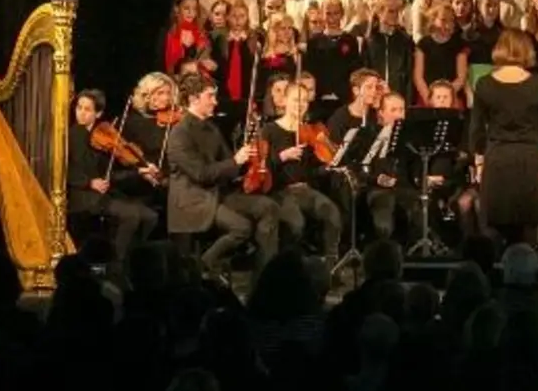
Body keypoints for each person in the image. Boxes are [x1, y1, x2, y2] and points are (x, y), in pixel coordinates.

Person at [165, 73, 281, 271]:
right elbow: (200, 174)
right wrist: (235, 161)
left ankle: (266, 271)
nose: (215, 102)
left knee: (268, 206)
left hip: (217, 194)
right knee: (241, 227)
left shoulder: (211, 128)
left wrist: (249, 160)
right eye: (210, 96)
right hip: (194, 200)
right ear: (193, 99)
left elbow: (228, 165)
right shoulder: (179, 133)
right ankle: (201, 265)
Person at [469, 29, 538, 247]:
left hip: (497, 158)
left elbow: (476, 131)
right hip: (528, 159)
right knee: (526, 227)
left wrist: (479, 163)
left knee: (495, 226)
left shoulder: (484, 84)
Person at [66, 88, 159, 263]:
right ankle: (115, 263)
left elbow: (112, 174)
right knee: (131, 215)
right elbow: (66, 169)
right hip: (84, 196)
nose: (81, 113)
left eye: (87, 109)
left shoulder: (103, 136)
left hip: (104, 194)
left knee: (150, 217)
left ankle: (130, 259)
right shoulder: (72, 135)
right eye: (79, 108)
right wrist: (89, 182)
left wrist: (140, 168)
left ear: (98, 113)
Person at [261, 82, 343, 254]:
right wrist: (282, 156)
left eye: (305, 101)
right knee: (295, 224)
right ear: (284, 101)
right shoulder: (269, 130)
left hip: (305, 190)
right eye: (296, 100)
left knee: (333, 215)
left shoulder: (308, 131)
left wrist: (327, 169)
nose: (301, 105)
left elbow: (311, 172)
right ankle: (288, 265)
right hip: (280, 191)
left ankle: (330, 268)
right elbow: (262, 168)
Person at [363, 92, 422, 247]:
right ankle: (384, 253)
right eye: (393, 110)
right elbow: (360, 168)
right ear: (381, 113)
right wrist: (377, 179)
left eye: (401, 110)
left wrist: (422, 178)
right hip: (377, 189)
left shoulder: (410, 137)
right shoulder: (369, 135)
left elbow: (415, 166)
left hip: (403, 188)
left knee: (419, 206)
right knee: (385, 209)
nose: (398, 115)